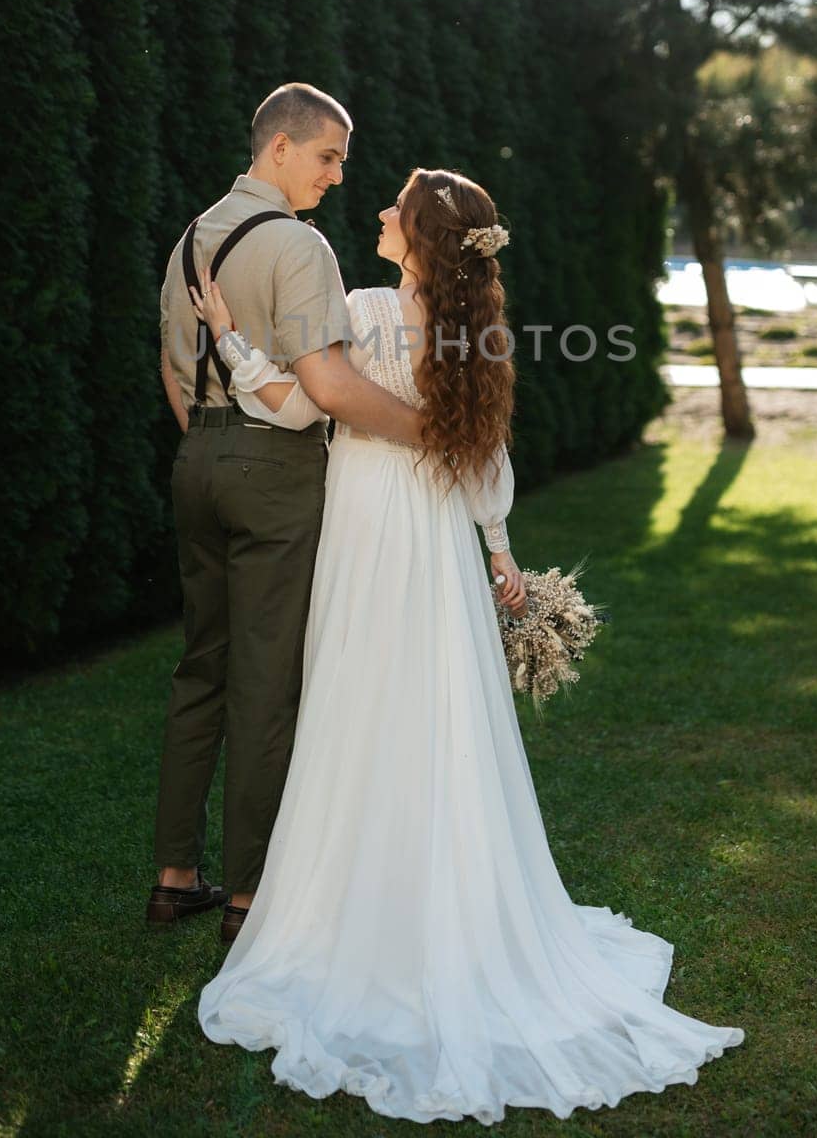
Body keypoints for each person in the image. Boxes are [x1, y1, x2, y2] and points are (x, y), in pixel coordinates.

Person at [192, 167, 746, 1123]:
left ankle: (355, 912)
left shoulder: (359, 307)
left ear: (414, 233)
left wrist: (232, 344)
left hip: (365, 528)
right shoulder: (474, 331)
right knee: (438, 706)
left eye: (391, 207)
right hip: (440, 535)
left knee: (359, 701)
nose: (373, 211)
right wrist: (499, 551)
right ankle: (447, 899)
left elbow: (298, 405)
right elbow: (485, 458)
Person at [146, 83, 423, 932]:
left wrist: (217, 444)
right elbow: (331, 386)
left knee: (203, 668)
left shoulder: (190, 238)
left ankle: (173, 876)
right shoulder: (300, 249)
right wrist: (437, 433)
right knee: (267, 683)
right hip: (273, 471)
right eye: (328, 156)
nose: (339, 176)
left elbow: (171, 370)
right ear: (280, 149)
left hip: (197, 459)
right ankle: (248, 897)